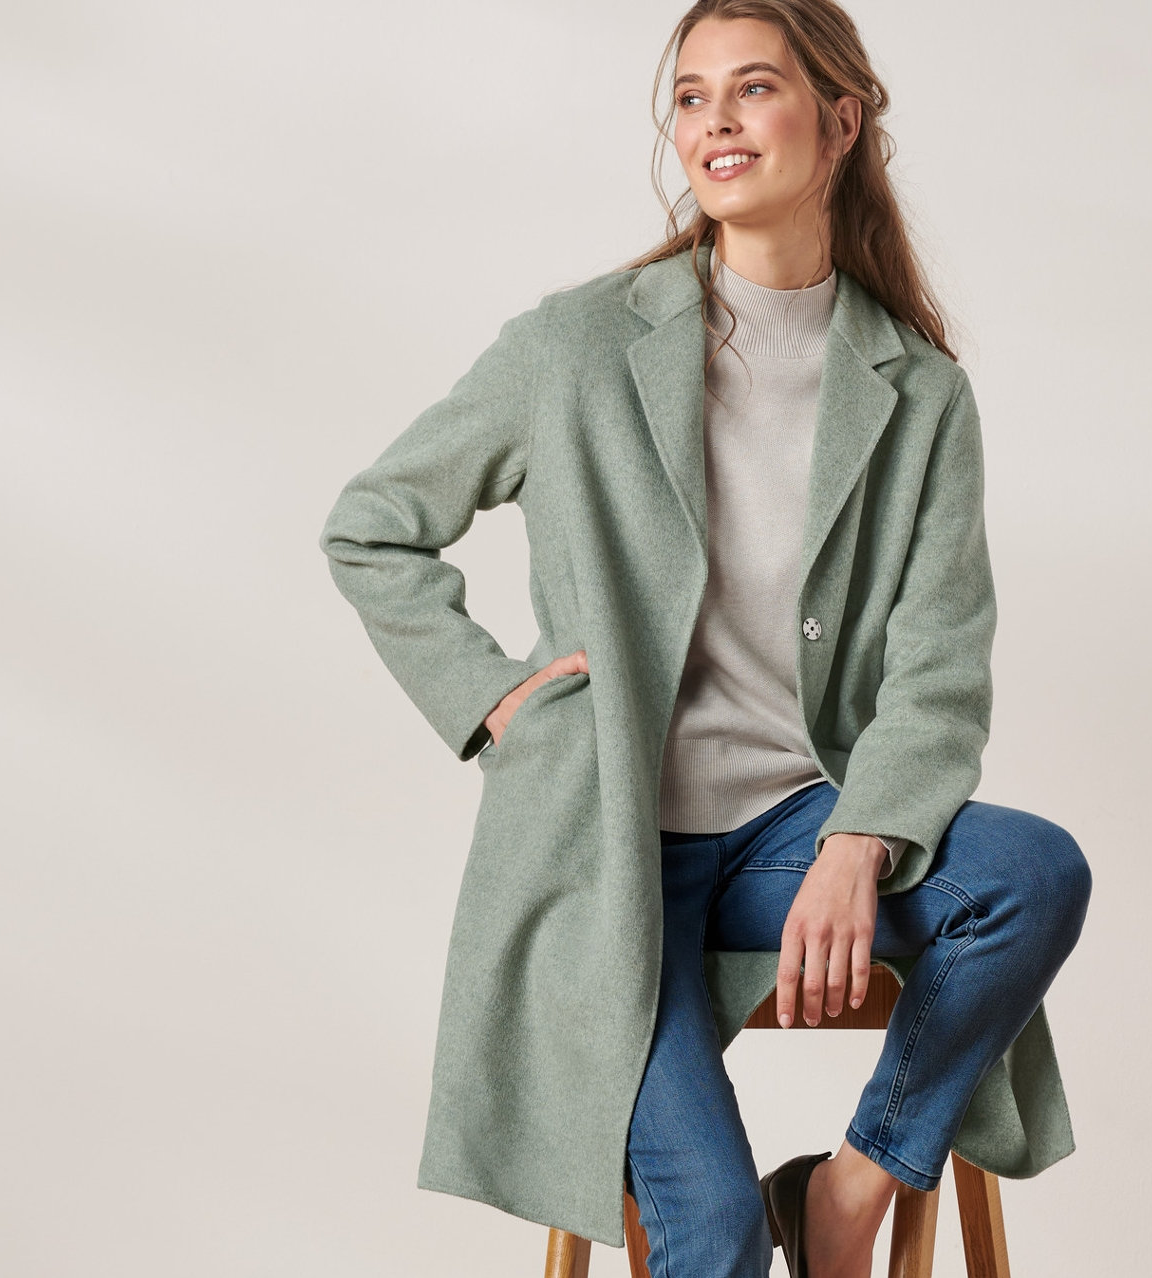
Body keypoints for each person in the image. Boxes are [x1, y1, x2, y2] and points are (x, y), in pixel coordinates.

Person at [319, 3, 1091, 1276]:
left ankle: (842, 1198)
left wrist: (860, 838)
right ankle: (767, 1209)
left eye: (753, 88)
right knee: (713, 1231)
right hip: (606, 856)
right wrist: (494, 699)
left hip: (792, 831)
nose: (715, 122)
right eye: (690, 97)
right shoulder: (574, 346)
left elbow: (940, 668)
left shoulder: (919, 394)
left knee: (1031, 873)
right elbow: (372, 527)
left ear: (840, 121)